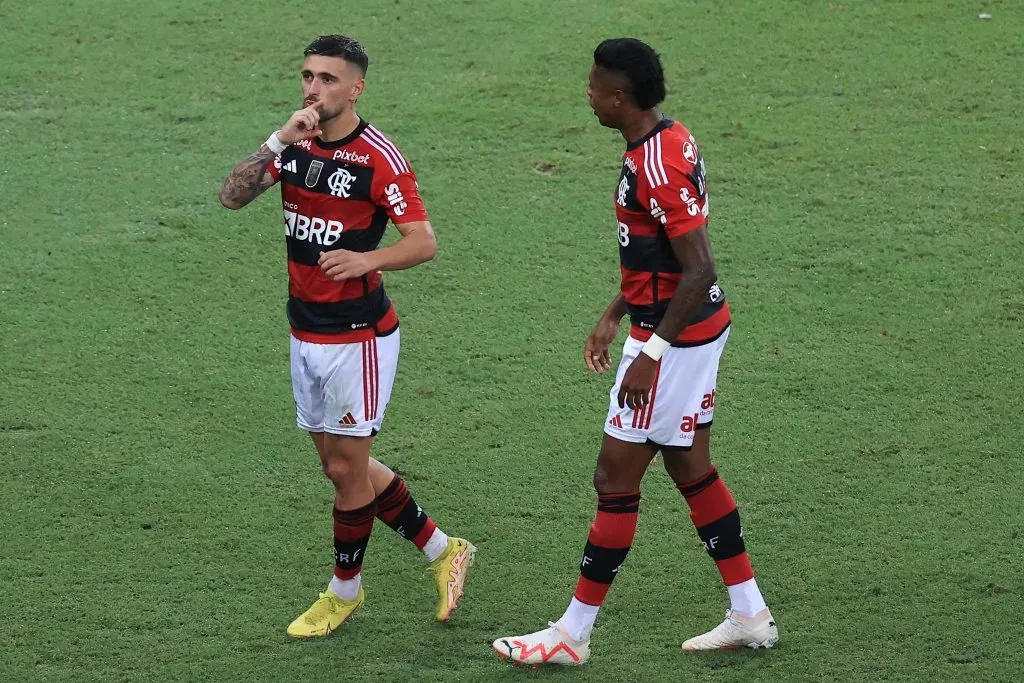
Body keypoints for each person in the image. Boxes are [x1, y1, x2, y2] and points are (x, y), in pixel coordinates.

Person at [491, 38, 778, 665]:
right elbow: (660, 256)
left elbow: (699, 267)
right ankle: (750, 613)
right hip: (690, 326)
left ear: (618, 98)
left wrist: (650, 351)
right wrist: (615, 311)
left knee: (614, 478)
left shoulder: (656, 165)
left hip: (674, 339)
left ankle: (572, 634)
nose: (588, 95)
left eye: (595, 87)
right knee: (690, 468)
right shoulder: (670, 138)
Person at [218, 34, 475, 639]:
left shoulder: (378, 157)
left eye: (328, 79)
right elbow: (231, 197)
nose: (314, 89)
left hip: (359, 338)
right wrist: (279, 139)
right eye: (308, 76)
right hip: (304, 330)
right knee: (340, 467)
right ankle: (445, 549)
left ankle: (343, 592)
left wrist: (367, 260)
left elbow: (424, 241)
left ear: (356, 88)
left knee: (345, 469)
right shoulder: (293, 145)